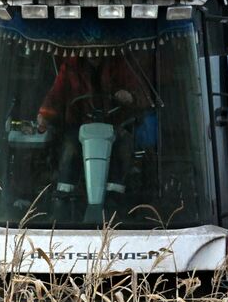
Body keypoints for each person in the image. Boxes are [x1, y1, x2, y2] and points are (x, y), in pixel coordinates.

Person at [34, 50, 154, 219]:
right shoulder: (70, 66)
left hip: (114, 125)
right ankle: (63, 197)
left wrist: (130, 97)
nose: (92, 52)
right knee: (69, 149)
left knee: (123, 145)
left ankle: (115, 196)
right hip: (79, 126)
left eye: (96, 48)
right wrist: (44, 115)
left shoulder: (120, 64)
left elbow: (142, 95)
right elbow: (55, 95)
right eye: (88, 48)